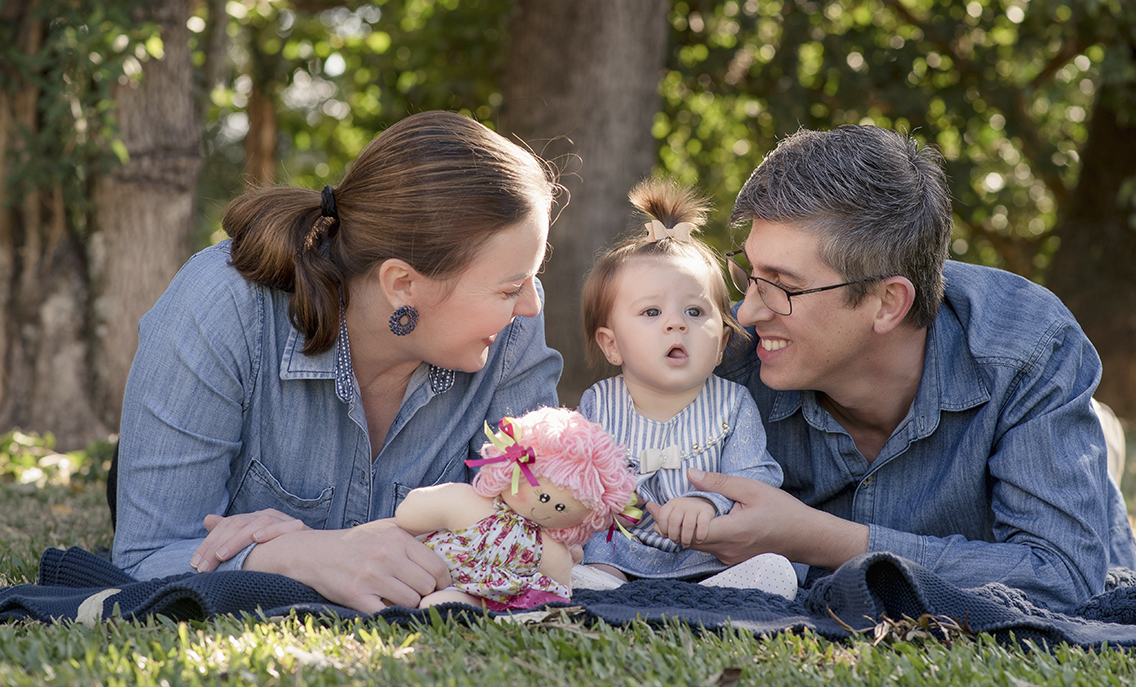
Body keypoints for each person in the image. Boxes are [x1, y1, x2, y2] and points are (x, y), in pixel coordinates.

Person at [111, 111, 563, 613]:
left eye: (529, 279)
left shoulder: (510, 328)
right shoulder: (222, 307)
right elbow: (144, 558)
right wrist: (293, 554)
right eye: (509, 288)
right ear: (402, 284)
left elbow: (546, 532)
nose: (530, 306)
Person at [674, 124, 1136, 613]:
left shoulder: (1026, 349)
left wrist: (813, 538)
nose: (747, 311)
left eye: (783, 287)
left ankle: (1084, 440)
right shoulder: (725, 352)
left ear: (887, 302)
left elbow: (1064, 580)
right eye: (750, 273)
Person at [573, 179, 795, 597]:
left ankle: (714, 594)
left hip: (707, 555)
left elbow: (755, 476)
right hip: (619, 549)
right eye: (652, 311)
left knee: (774, 569)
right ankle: (602, 587)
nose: (676, 324)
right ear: (612, 344)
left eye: (694, 311)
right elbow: (579, 479)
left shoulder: (732, 403)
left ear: (721, 345)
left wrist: (707, 503)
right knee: (578, 563)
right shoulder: (599, 403)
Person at [394, 407, 635, 610]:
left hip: (497, 594)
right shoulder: (473, 504)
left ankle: (464, 606)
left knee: (450, 604)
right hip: (430, 568)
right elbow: (412, 513)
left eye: (562, 507)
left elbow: (561, 587)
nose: (548, 509)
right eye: (542, 496)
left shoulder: (550, 546)